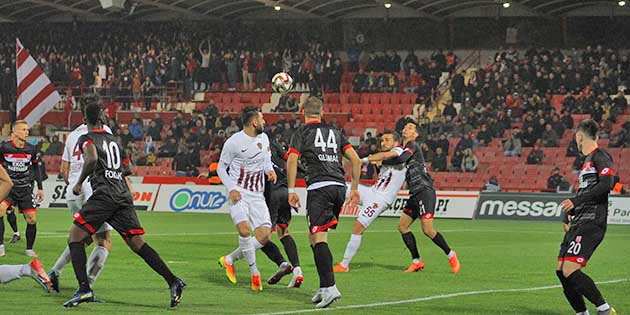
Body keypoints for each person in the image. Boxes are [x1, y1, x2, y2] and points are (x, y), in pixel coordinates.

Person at [63, 102, 185, 307]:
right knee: (137, 243)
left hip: (104, 194)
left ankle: (84, 289)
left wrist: (78, 182)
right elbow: (126, 168)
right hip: (121, 194)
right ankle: (173, 281)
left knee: (75, 237)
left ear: (85, 120)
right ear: (101, 118)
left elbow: (91, 159)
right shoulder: (114, 140)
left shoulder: (86, 138)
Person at [286, 96, 361, 308]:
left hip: (320, 187)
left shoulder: (301, 132)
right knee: (315, 236)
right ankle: (322, 286)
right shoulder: (336, 132)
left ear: (303, 112)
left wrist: (291, 190)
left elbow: (292, 160)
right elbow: (355, 160)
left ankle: (330, 288)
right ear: (322, 112)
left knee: (319, 238)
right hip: (339, 186)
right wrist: (354, 188)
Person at [361, 120, 460, 274]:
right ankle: (416, 261)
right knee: (402, 227)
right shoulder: (400, 150)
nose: (407, 128)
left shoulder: (412, 146)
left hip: (424, 190)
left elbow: (400, 160)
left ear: (416, 134)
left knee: (427, 229)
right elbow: (391, 165)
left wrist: (378, 158)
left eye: (411, 127)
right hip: (414, 193)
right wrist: (378, 162)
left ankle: (451, 254)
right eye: (406, 126)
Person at [216, 107, 286, 292]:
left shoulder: (263, 139)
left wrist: (269, 170)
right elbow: (221, 168)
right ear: (254, 122)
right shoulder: (234, 142)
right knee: (245, 231)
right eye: (262, 119)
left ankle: (229, 259)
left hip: (257, 195)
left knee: (264, 236)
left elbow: (266, 159)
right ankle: (255, 273)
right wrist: (231, 188)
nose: (265, 122)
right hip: (239, 193)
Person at [48, 102, 115, 293]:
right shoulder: (104, 130)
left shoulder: (71, 136)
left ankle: (55, 272)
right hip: (93, 189)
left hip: (73, 192)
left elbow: (64, 170)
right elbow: (107, 160)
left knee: (80, 238)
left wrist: (75, 184)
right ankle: (87, 286)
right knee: (103, 241)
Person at [557, 119, 617, 315]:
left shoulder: (600, 156)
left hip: (592, 221)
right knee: (561, 271)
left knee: (570, 269)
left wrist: (576, 201)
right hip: (580, 221)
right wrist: (570, 213)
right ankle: (582, 313)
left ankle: (604, 309)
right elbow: (588, 192)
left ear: (579, 137)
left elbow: (607, 183)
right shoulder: (586, 161)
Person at [333, 130, 407, 272]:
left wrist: (365, 159)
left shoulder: (398, 151)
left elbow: (385, 156)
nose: (383, 143)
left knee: (358, 227)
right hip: (371, 191)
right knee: (341, 187)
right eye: (382, 140)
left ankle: (344, 265)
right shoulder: (385, 158)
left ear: (396, 143)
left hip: (381, 199)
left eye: (387, 140)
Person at [262, 136, 303, 288]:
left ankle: (282, 263)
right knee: (284, 232)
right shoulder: (273, 142)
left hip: (271, 193)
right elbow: (289, 157)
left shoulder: (252, 145)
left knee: (262, 237)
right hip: (285, 191)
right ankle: (297, 270)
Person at [0, 120, 44, 257]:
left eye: (27, 129)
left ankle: (29, 248)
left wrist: (40, 188)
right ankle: (0, 246)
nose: (27, 132)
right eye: (24, 129)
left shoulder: (31, 149)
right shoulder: (4, 148)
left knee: (31, 219)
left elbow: (36, 168)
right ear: (15, 132)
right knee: (0, 210)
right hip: (9, 188)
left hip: (25, 188)